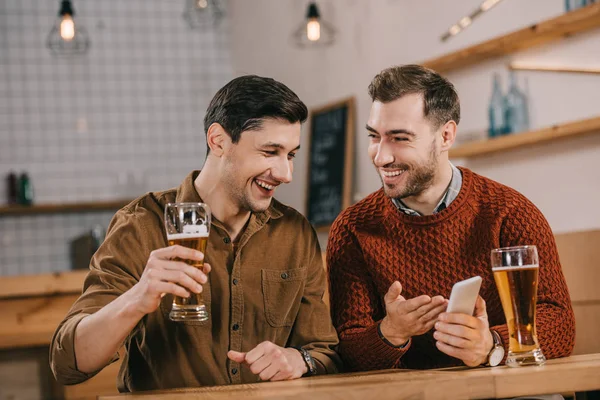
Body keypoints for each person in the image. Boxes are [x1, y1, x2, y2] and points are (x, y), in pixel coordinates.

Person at [50, 75, 341, 391]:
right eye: (270, 152)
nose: (286, 174)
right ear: (218, 141)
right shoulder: (141, 225)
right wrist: (138, 298)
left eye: (291, 154)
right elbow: (67, 364)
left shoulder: (295, 234)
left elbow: (325, 352)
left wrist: (299, 360)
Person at [327, 64, 575, 371]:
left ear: (446, 136)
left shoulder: (510, 213)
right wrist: (390, 332)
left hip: (505, 386)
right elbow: (347, 351)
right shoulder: (353, 228)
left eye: (400, 138)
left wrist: (492, 346)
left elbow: (561, 324)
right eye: (374, 136)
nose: (381, 156)